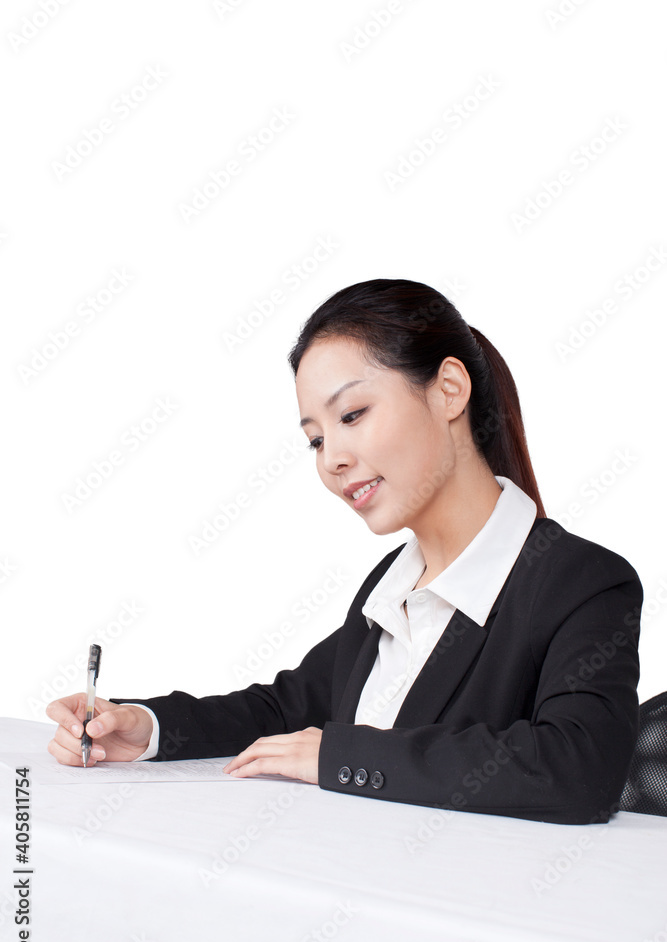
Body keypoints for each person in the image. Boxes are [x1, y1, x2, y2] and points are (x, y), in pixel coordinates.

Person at [46, 278, 643, 825]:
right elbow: (287, 709)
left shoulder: (581, 583)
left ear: (449, 390)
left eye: (352, 414)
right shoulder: (392, 587)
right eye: (316, 440)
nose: (331, 459)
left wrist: (343, 755)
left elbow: (579, 770)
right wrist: (145, 728)